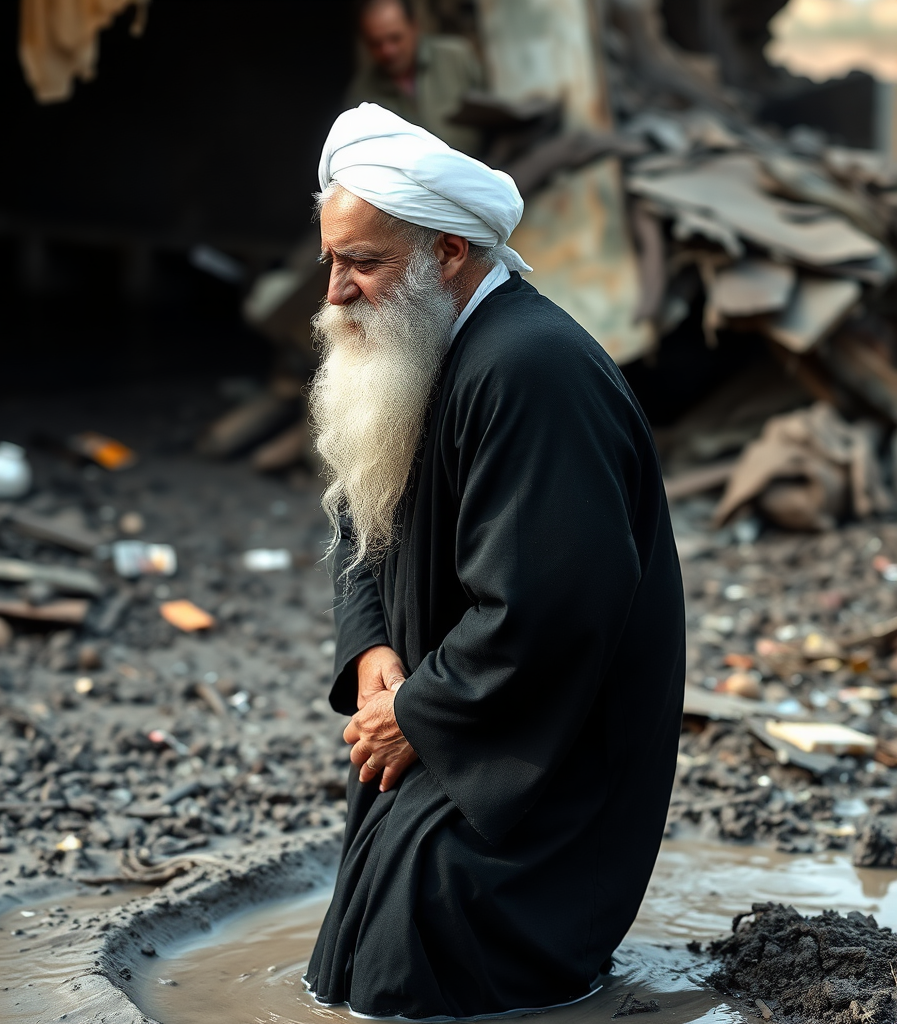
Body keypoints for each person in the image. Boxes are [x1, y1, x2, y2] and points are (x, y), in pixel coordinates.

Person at [302, 102, 685, 1020]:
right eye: (331, 261)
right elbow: (365, 520)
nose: (335, 293)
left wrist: (420, 713)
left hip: (541, 753)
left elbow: (553, 606)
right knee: (355, 960)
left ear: (448, 254)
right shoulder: (421, 339)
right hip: (453, 713)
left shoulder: (531, 368)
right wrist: (372, 651)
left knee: (422, 950)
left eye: (364, 264)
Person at [348, 0, 484, 155]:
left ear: (414, 27)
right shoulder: (361, 92)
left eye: (395, 38)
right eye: (376, 43)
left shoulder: (457, 58)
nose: (387, 51)